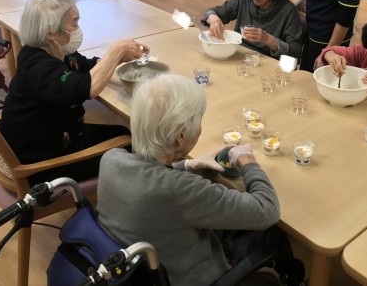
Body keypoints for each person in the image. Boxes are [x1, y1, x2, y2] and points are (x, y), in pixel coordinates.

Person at [97, 74, 304, 286]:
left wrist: (186, 165)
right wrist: (248, 162)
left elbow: (149, 179)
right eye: (198, 121)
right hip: (195, 277)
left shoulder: (111, 159)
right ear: (180, 136)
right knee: (273, 233)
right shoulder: (183, 189)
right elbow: (268, 210)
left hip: (140, 263)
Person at [0, 0, 144, 184]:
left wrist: (119, 59)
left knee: (122, 133)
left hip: (58, 138)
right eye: (74, 23)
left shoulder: (58, 52)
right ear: (50, 32)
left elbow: (87, 66)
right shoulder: (37, 67)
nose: (78, 29)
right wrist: (115, 52)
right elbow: (86, 88)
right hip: (43, 164)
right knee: (131, 147)